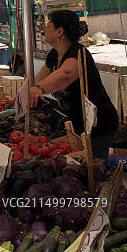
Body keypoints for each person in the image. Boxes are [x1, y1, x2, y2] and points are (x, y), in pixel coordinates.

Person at [30, 10, 119, 159]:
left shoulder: (79, 53)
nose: (44, 30)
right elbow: (37, 80)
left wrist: (39, 89)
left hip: (99, 125)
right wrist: (16, 99)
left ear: (60, 31)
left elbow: (65, 75)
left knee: (91, 171)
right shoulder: (53, 55)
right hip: (77, 126)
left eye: (48, 25)